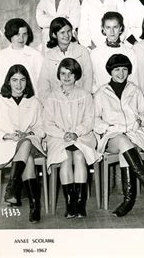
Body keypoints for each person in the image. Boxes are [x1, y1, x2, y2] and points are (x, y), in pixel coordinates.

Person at [94, 54, 144, 217]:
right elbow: (94, 119)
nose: (120, 73)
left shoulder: (135, 90)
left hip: (134, 133)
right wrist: (108, 127)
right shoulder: (101, 93)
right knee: (122, 140)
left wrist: (138, 120)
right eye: (116, 70)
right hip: (112, 136)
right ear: (110, 71)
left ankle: (128, 200)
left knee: (125, 148)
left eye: (124, 69)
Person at [0, 65, 46, 223]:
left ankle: (12, 188)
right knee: (29, 160)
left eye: (22, 80)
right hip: (6, 144)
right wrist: (7, 136)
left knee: (25, 142)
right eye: (14, 80)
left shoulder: (34, 102)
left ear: (27, 82)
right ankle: (34, 206)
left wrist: (28, 134)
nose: (18, 85)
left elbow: (41, 129)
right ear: (8, 82)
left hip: (31, 143)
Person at [43, 58, 98, 218]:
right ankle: (70, 203)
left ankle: (80, 203)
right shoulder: (52, 97)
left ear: (76, 75)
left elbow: (89, 120)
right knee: (66, 157)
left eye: (70, 73)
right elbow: (47, 124)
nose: (66, 77)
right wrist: (63, 134)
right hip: (58, 138)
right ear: (58, 75)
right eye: (63, 73)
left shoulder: (85, 95)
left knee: (80, 155)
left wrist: (76, 132)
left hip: (82, 136)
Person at [38, 17, 93, 101]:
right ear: (54, 35)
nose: (67, 35)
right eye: (62, 32)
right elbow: (44, 84)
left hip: (79, 101)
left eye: (69, 31)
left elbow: (88, 78)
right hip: (57, 103)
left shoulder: (82, 51)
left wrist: (85, 100)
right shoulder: (49, 55)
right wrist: (48, 104)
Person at [0, 18, 43, 102]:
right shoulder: (0, 56)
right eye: (17, 34)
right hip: (7, 103)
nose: (21, 38)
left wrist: (39, 103)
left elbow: (43, 82)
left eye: (24, 34)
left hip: (30, 103)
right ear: (10, 35)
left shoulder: (35, 55)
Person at [90, 11, 138, 92]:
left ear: (121, 28)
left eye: (115, 27)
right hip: (101, 98)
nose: (112, 31)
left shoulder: (130, 52)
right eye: (108, 27)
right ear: (103, 29)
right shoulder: (94, 53)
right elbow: (92, 80)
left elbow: (134, 80)